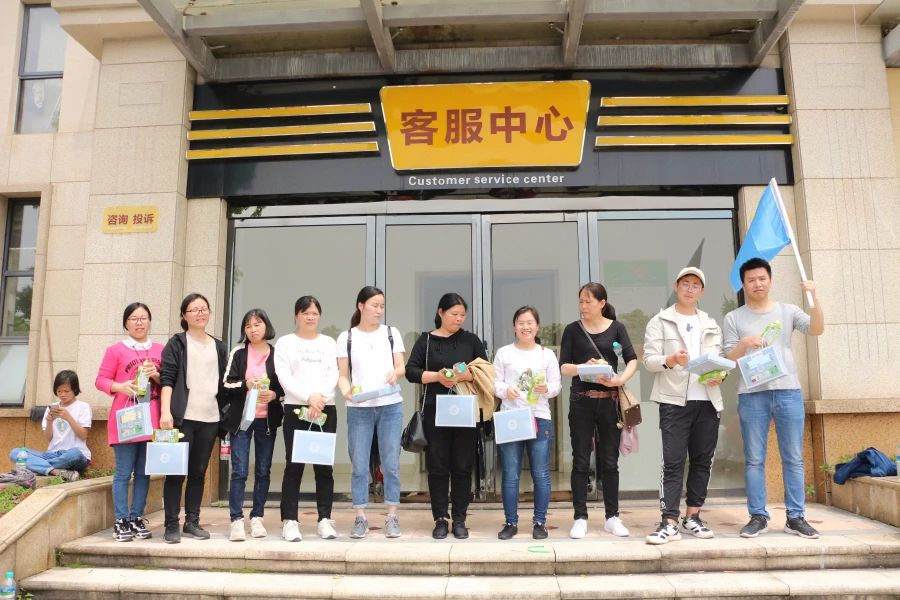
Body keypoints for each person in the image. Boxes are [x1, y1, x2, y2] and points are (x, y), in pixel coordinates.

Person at [724, 257, 824, 540]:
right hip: (751, 394)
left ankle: (796, 517)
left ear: (770, 280)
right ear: (743, 284)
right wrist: (744, 344)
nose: (757, 284)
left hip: (788, 391)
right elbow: (728, 358)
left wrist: (814, 298)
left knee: (793, 458)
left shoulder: (788, 311)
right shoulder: (734, 318)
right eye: (751, 280)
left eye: (762, 278)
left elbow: (816, 329)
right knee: (754, 459)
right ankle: (758, 516)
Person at [642, 268, 724, 545]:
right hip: (673, 401)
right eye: (685, 283)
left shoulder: (710, 323)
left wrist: (720, 375)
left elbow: (719, 361)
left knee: (702, 460)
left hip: (708, 400)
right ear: (676, 287)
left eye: (695, 285)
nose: (690, 289)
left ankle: (693, 516)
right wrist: (671, 359)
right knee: (673, 461)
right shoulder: (660, 321)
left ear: (702, 291)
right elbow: (649, 361)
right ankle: (669, 522)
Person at [406, 292, 487, 540]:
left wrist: (466, 375)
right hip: (435, 410)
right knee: (438, 465)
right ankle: (440, 518)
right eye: (454, 314)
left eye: (462, 315)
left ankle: (460, 518)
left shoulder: (471, 341)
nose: (459, 319)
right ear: (441, 313)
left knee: (463, 465)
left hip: (465, 409)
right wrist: (437, 376)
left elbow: (485, 371)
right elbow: (411, 371)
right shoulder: (426, 341)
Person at [559, 282, 638, 539]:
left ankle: (612, 517)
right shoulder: (572, 330)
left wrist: (619, 379)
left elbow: (632, 359)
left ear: (602, 303)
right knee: (581, 460)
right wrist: (585, 367)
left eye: (588, 301)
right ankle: (580, 517)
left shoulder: (617, 328)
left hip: (609, 401)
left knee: (610, 462)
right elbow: (564, 367)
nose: (583, 306)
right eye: (580, 301)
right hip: (581, 400)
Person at [336, 286, 406, 539]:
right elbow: (343, 375)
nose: (379, 310)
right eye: (374, 305)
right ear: (361, 306)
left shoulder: (391, 333)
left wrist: (395, 373)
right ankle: (360, 516)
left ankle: (392, 515)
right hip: (359, 408)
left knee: (391, 463)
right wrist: (346, 391)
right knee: (359, 464)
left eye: (382, 306)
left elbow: (401, 367)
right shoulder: (346, 337)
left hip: (390, 405)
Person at [159, 293, 228, 544]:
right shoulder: (177, 343)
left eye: (204, 308)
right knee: (176, 472)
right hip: (182, 418)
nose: (200, 313)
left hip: (210, 417)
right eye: (194, 309)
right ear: (184, 316)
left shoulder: (219, 346)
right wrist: (165, 412)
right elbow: (167, 379)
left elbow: (225, 383)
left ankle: (192, 522)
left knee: (198, 472)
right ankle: (171, 524)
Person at [492, 306, 561, 540]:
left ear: (537, 326)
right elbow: (495, 383)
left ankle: (540, 522)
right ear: (514, 326)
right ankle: (510, 522)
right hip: (511, 417)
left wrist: (546, 388)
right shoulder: (504, 353)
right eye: (521, 322)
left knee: (540, 473)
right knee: (510, 474)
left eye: (530, 322)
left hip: (539, 416)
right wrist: (506, 390)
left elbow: (556, 385)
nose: (525, 327)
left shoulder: (546, 355)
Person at [95, 302, 163, 542]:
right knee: (124, 473)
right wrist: (119, 386)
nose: (139, 322)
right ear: (126, 323)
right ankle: (121, 520)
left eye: (143, 318)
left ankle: (136, 517)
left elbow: (170, 382)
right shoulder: (115, 350)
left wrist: (156, 375)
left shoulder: (161, 349)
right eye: (134, 318)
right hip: (127, 419)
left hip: (152, 419)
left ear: (150, 321)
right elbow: (101, 380)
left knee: (144, 473)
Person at [274, 296, 339, 541]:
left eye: (314, 313)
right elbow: (284, 377)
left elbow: (334, 373)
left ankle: (325, 519)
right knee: (294, 465)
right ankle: (290, 520)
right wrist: (308, 397)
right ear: (296, 316)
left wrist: (319, 399)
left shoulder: (328, 342)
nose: (310, 317)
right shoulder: (285, 343)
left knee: (324, 468)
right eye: (305, 313)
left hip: (325, 408)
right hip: (296, 408)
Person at [222, 308, 284, 542]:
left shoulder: (277, 354)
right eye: (248, 326)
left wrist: (275, 395)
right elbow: (226, 383)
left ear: (266, 326)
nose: (253, 329)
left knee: (263, 470)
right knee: (239, 470)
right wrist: (245, 384)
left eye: (257, 324)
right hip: (242, 421)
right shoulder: (239, 352)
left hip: (266, 421)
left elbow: (285, 387)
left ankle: (257, 517)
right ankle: (236, 520)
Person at [11, 370, 91, 482]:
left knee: (75, 454)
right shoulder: (51, 408)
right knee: (16, 453)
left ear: (75, 390)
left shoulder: (83, 407)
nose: (62, 394)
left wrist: (68, 417)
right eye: (59, 391)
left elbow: (83, 436)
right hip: (52, 454)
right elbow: (49, 438)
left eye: (66, 391)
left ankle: (36, 466)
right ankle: (55, 471)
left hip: (74, 455)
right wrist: (49, 421)